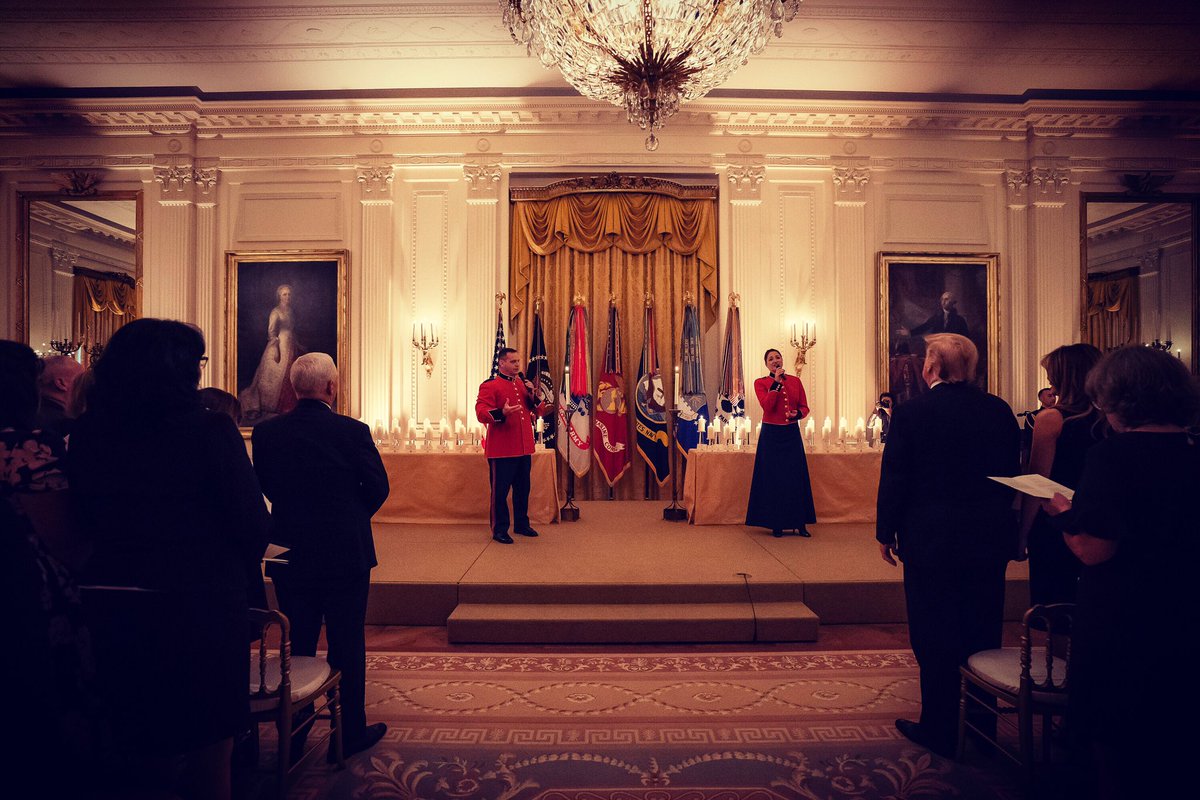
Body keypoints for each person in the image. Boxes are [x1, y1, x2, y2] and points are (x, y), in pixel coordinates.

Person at [67, 319, 271, 800]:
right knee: (209, 750)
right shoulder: (210, 429)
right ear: (177, 370)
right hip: (196, 605)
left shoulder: (91, 432)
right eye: (196, 363)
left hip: (113, 605)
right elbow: (252, 523)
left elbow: (82, 515)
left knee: (139, 743)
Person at [1042, 346, 1200, 800]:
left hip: (1126, 616)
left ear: (1120, 399)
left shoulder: (1113, 457)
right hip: (1187, 611)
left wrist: (1063, 513)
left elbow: (1093, 549)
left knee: (1117, 739)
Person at [875, 333, 1019, 758]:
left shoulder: (914, 412)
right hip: (986, 538)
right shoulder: (998, 410)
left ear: (932, 367)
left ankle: (939, 727)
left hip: (931, 537)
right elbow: (1011, 471)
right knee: (982, 628)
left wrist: (886, 532)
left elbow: (896, 476)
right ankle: (981, 725)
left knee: (934, 631)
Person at [251, 352, 390, 760]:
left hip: (286, 548)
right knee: (347, 639)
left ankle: (294, 732)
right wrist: (346, 517)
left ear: (293, 387)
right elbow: (378, 487)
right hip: (344, 550)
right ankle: (348, 736)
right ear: (332, 386)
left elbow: (267, 486)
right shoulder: (352, 431)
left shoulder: (266, 433)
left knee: (295, 640)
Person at [1017, 344, 1105, 604]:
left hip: (1057, 521)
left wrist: (1023, 533)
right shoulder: (1111, 418)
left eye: (1052, 377)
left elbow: (1038, 483)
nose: (1051, 386)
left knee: (1055, 607)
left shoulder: (1052, 418)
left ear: (1066, 378)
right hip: (1098, 517)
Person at [475, 347, 551, 544]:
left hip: (524, 447)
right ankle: (499, 529)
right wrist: (502, 412)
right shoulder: (490, 385)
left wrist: (533, 394)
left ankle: (521, 524)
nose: (517, 364)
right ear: (501, 363)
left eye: (518, 361)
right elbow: (481, 412)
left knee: (522, 488)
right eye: (513, 361)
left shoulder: (522, 384)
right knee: (499, 493)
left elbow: (540, 410)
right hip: (501, 450)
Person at [746, 348, 816, 537]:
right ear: (766, 364)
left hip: (791, 433)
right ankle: (776, 523)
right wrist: (776, 383)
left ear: (782, 360)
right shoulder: (761, 383)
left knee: (795, 477)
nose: (775, 360)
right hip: (771, 435)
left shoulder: (795, 381)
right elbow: (767, 406)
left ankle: (800, 524)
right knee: (774, 478)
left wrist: (798, 414)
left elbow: (804, 406)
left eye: (778, 357)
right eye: (771, 359)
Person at [240, 283, 300, 422]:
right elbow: (272, 332)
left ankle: (289, 404)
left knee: (292, 373)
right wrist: (277, 350)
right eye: (284, 294)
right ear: (279, 296)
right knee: (274, 376)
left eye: (289, 294)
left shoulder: (290, 310)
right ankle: (272, 404)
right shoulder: (275, 312)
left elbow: (291, 329)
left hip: (290, 344)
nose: (287, 297)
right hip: (279, 345)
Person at [35, 353, 84, 436]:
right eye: (82, 378)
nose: (86, 384)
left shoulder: (28, 415)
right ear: (61, 383)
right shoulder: (67, 425)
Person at [900, 290, 969, 338]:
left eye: (946, 299)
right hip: (937, 348)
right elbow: (925, 326)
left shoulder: (960, 320)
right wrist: (910, 332)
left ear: (953, 302)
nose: (943, 301)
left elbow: (965, 338)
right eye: (942, 299)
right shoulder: (937, 317)